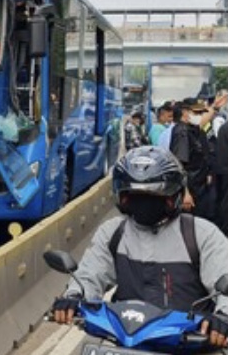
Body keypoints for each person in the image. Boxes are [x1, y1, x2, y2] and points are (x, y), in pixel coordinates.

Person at [50, 146, 228, 349]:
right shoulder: (113, 233)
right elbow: (91, 274)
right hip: (128, 344)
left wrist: (222, 317)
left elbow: (224, 276)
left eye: (154, 196)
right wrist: (73, 297)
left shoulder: (201, 233)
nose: (143, 203)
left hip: (191, 344)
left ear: (174, 195)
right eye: (134, 196)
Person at [171, 100, 217, 221]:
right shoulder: (182, 132)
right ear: (185, 112)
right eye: (197, 112)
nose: (200, 115)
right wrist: (185, 192)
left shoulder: (193, 129)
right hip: (190, 188)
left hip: (199, 185)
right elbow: (178, 164)